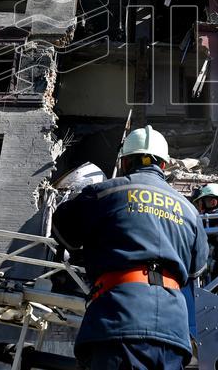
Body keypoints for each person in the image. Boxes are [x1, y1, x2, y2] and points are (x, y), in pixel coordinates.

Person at [52, 126, 208, 370]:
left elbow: (63, 230)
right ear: (164, 166)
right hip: (173, 331)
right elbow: (196, 270)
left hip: (119, 320)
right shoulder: (189, 211)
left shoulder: (107, 193)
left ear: (124, 162)